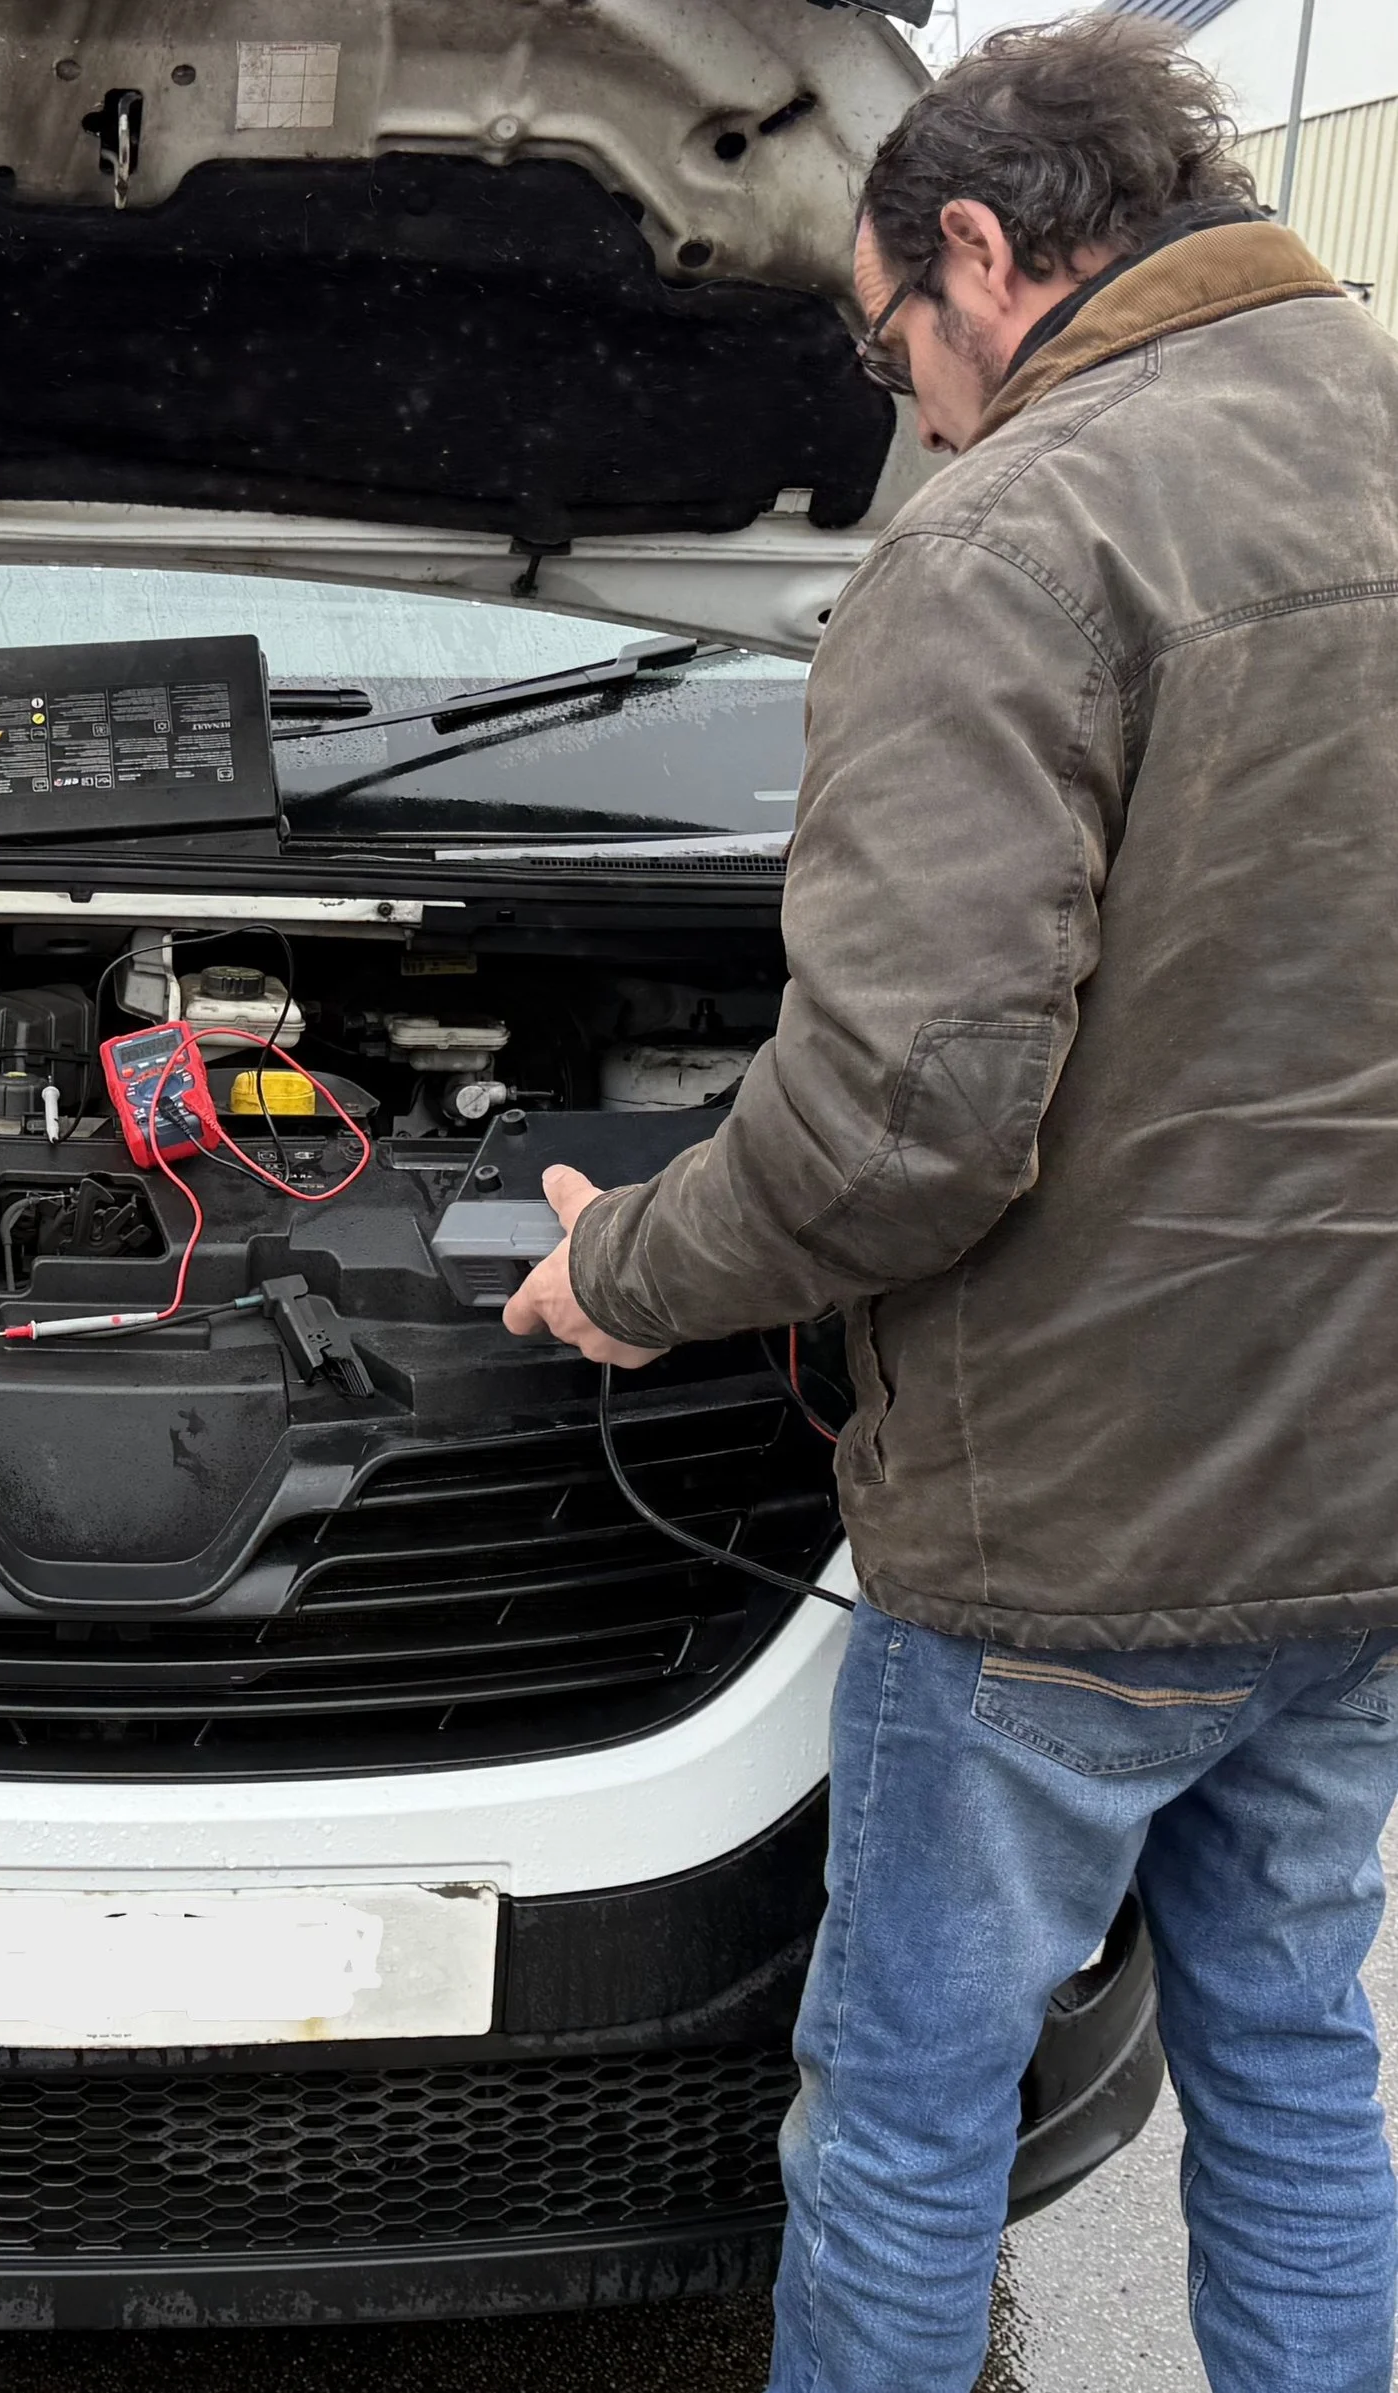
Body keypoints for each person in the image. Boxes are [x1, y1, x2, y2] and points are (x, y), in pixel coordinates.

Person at [498, 19, 1398, 2392]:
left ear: (980, 252)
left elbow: (901, 1123)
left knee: (900, 2114)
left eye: (890, 335)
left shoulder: (1014, 532)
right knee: (1293, 2047)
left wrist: (613, 1268)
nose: (902, 405)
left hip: (1068, 1544)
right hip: (1374, 1487)